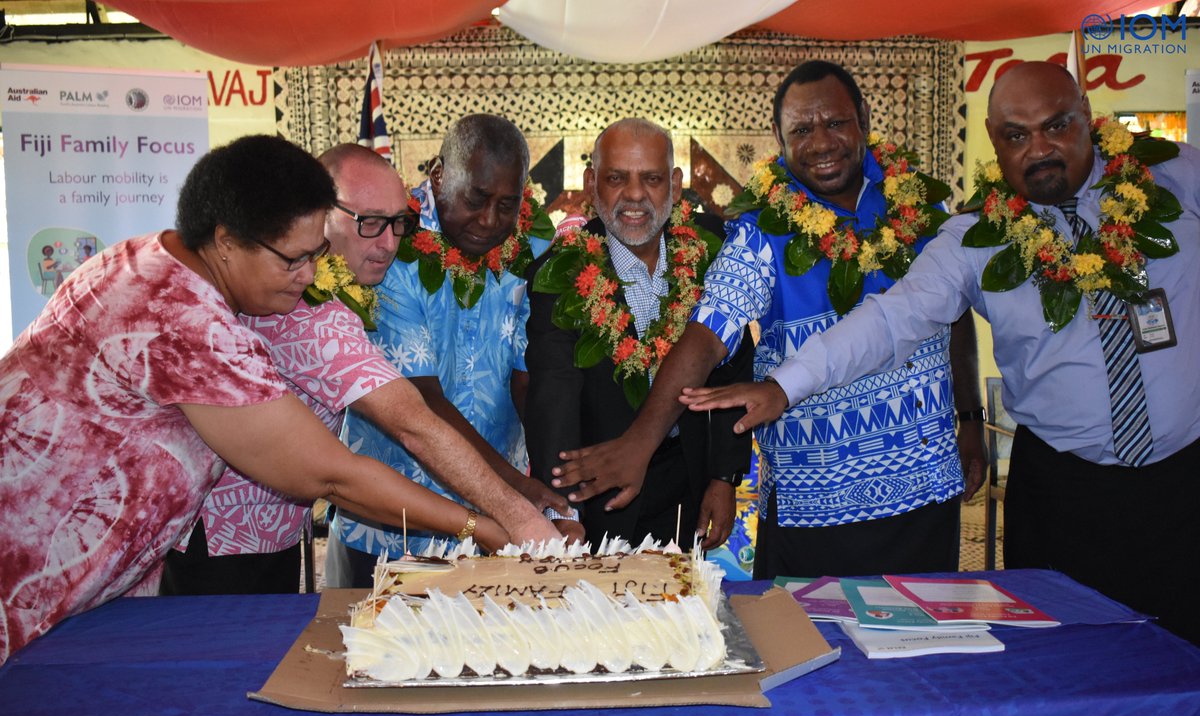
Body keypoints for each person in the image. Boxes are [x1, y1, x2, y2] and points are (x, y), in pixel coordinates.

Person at [683, 61, 1200, 644]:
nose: (1040, 148)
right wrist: (783, 386)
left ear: (1087, 117)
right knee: (1064, 663)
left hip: (1185, 479)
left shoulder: (1176, 179)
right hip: (1060, 488)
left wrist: (968, 422)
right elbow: (891, 320)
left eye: (1056, 126)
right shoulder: (977, 236)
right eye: (1015, 135)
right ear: (994, 140)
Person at [0, 135, 513, 664]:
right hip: (26, 577)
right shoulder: (188, 317)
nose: (310, 276)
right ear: (226, 242)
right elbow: (330, 474)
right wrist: (478, 525)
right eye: (293, 259)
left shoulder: (145, 258)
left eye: (315, 255)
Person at [551, 61, 985, 580]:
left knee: (927, 654)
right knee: (811, 651)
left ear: (864, 119)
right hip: (816, 501)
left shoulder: (920, 210)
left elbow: (953, 315)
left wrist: (970, 420)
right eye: (802, 129)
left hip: (925, 486)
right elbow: (708, 335)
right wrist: (639, 443)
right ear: (778, 137)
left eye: (836, 123)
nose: (822, 142)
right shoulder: (760, 234)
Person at [166, 143, 561, 596]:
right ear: (319, 215)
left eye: (399, 223)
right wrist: (508, 518)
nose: (389, 243)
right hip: (220, 541)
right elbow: (411, 424)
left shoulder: (325, 288)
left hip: (271, 532)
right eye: (369, 222)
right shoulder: (308, 307)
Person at [332, 114, 563, 587]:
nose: (490, 221)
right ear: (439, 174)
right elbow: (423, 406)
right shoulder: (392, 248)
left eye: (507, 205)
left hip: (503, 517)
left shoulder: (532, 244)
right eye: (476, 199)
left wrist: (552, 485)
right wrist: (517, 493)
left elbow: (528, 375)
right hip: (396, 527)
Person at [525, 118, 753, 550]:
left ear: (675, 183)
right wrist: (563, 511)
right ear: (592, 184)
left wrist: (724, 477)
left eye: (650, 178)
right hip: (599, 495)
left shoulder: (710, 251)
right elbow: (553, 400)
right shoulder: (558, 274)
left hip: (689, 478)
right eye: (616, 178)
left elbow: (730, 370)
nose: (634, 195)